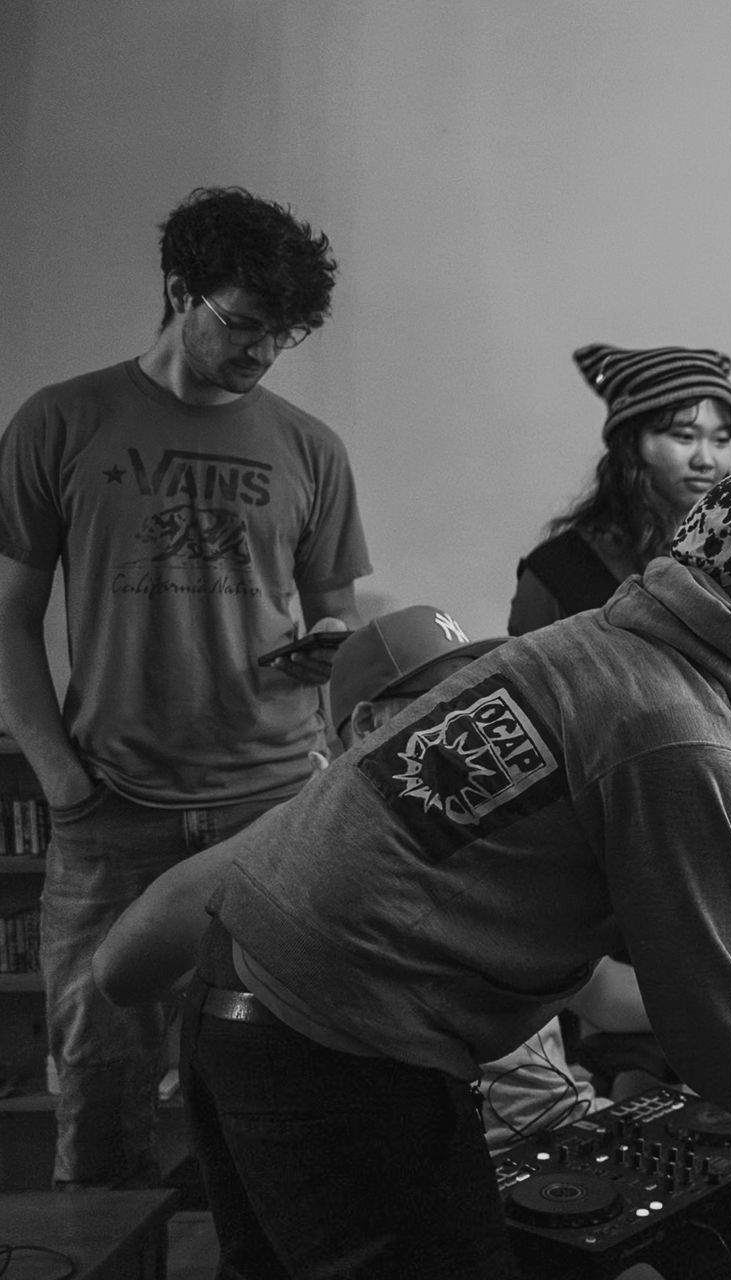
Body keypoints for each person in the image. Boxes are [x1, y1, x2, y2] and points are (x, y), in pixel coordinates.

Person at [177, 462, 731, 1277]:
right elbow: (705, 1020)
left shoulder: (621, 658)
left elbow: (724, 874)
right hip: (337, 1038)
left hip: (235, 994)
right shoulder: (675, 725)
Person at [0, 186, 369, 1189]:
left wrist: (333, 641)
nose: (261, 352)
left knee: (282, 1071)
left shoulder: (309, 448)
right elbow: (9, 612)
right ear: (178, 290)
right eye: (243, 323)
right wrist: (60, 778)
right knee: (100, 1084)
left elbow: (339, 610)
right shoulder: (60, 421)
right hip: (114, 809)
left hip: (275, 802)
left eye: (284, 333)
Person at [89, 603, 650, 1155]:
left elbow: (604, 995)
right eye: (443, 701)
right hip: (448, 1163)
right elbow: (120, 969)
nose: (472, 717)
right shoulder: (303, 856)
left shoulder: (500, 847)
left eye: (478, 694)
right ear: (367, 727)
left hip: (571, 1128)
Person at [510, 343, 731, 932]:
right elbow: (537, 741)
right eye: (684, 435)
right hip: (621, 836)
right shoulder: (559, 572)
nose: (707, 458)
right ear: (631, 443)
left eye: (721, 437)